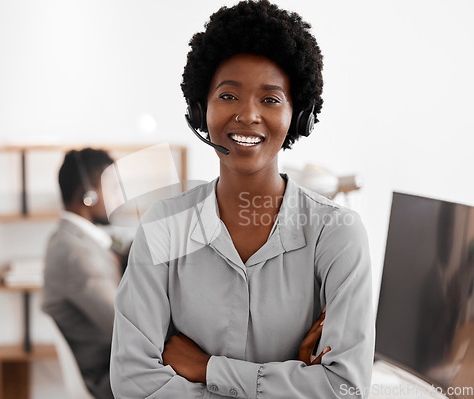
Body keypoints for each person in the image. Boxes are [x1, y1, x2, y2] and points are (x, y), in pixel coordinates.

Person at [110, 1, 374, 398]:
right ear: (201, 109)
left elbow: (345, 388)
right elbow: (133, 383)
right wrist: (290, 381)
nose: (248, 114)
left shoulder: (336, 234)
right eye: (229, 95)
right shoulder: (164, 225)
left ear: (298, 116)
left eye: (270, 99)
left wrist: (207, 369)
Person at [43, 148, 121, 399]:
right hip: (111, 378)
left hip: (111, 365)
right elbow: (124, 328)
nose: (119, 199)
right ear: (88, 195)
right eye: (113, 188)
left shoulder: (70, 238)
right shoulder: (75, 253)